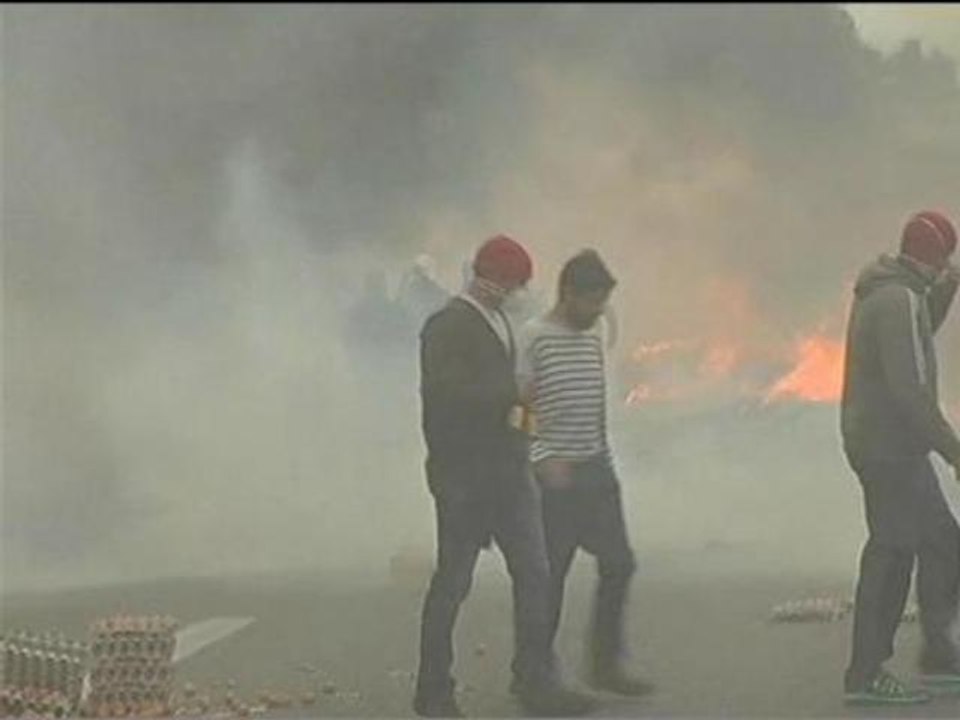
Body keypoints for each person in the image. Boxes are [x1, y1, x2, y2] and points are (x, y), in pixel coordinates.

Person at [414, 235, 595, 718]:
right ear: (493, 279)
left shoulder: (500, 322)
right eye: (516, 283)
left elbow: (509, 402)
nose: (520, 294)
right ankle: (433, 690)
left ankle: (535, 679)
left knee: (536, 572)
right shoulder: (447, 325)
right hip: (465, 480)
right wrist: (511, 393)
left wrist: (529, 423)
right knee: (453, 581)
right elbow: (446, 396)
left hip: (510, 474)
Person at [516, 249, 654, 697]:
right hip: (554, 476)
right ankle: (534, 674)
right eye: (592, 301)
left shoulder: (593, 336)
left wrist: (603, 457)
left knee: (619, 564)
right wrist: (540, 456)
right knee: (550, 577)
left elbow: (592, 403)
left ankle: (604, 664)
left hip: (595, 468)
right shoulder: (534, 337)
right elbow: (519, 407)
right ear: (568, 294)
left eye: (603, 301)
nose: (599, 310)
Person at [840, 209, 960, 705]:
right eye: (945, 260)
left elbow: (918, 331)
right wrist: (953, 449)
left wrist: (947, 291)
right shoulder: (898, 299)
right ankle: (866, 673)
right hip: (888, 446)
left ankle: (938, 653)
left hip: (891, 442)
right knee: (891, 553)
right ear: (932, 257)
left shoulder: (894, 292)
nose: (946, 267)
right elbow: (909, 388)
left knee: (943, 541)